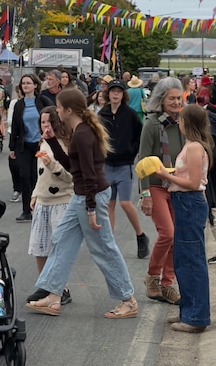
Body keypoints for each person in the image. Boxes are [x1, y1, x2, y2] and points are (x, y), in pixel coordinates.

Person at [26, 88, 138, 319]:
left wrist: (90, 209)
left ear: (68, 110)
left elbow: (88, 175)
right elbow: (72, 166)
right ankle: (53, 295)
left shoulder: (82, 134)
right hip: (84, 195)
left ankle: (128, 299)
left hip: (91, 196)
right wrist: (53, 144)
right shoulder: (80, 131)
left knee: (103, 248)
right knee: (60, 240)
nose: (57, 111)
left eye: (58, 107)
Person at [153, 104, 212, 333]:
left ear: (188, 123)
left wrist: (165, 175)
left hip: (190, 203)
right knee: (182, 259)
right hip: (184, 203)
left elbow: (195, 183)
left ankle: (196, 317)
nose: (179, 123)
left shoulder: (195, 147)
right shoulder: (190, 145)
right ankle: (188, 309)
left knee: (191, 260)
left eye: (181, 120)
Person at [138, 77, 183, 306]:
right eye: (171, 98)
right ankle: (152, 277)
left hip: (177, 186)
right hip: (156, 186)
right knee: (168, 233)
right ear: (161, 100)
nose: (176, 102)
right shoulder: (152, 124)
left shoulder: (182, 122)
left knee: (178, 238)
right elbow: (143, 160)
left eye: (178, 97)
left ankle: (167, 284)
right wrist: (144, 193)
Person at [25, 107, 74, 306]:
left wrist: (52, 164)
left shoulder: (64, 144)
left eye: (50, 122)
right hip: (43, 200)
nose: (46, 126)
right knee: (40, 246)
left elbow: (70, 176)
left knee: (58, 246)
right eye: (43, 122)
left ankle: (62, 287)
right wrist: (35, 194)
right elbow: (40, 175)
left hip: (61, 200)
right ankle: (44, 285)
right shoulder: (43, 143)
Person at [98, 79, 150, 259]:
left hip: (124, 165)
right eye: (112, 91)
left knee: (125, 203)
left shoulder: (130, 114)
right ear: (108, 93)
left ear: (123, 94)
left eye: (119, 91)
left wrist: (132, 151)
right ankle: (109, 243)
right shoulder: (102, 114)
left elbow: (140, 135)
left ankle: (140, 235)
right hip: (107, 164)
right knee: (109, 204)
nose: (115, 94)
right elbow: (97, 136)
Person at [9, 73, 44, 222]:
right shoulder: (19, 104)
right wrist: (12, 147)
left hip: (40, 145)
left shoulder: (43, 101)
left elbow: (52, 120)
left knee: (36, 177)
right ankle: (26, 211)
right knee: (24, 176)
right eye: (23, 83)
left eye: (29, 83)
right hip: (23, 145)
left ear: (35, 85)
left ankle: (38, 208)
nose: (25, 86)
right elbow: (15, 127)